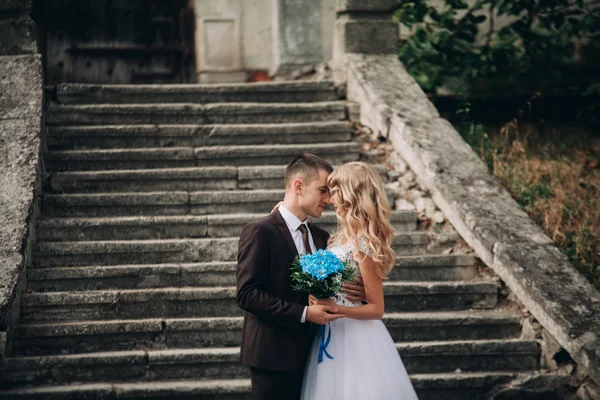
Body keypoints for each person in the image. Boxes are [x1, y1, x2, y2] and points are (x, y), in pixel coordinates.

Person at [236, 154, 366, 400]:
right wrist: (305, 314)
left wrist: (358, 290)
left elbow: (333, 283)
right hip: (272, 355)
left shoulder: (322, 237)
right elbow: (247, 294)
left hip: (317, 354)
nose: (328, 199)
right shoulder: (260, 231)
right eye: (323, 190)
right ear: (298, 186)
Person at [301, 161, 419, 400]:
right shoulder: (339, 237)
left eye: (334, 192)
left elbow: (377, 309)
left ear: (351, 194)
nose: (330, 199)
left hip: (356, 335)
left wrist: (336, 308)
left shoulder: (364, 243)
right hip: (332, 332)